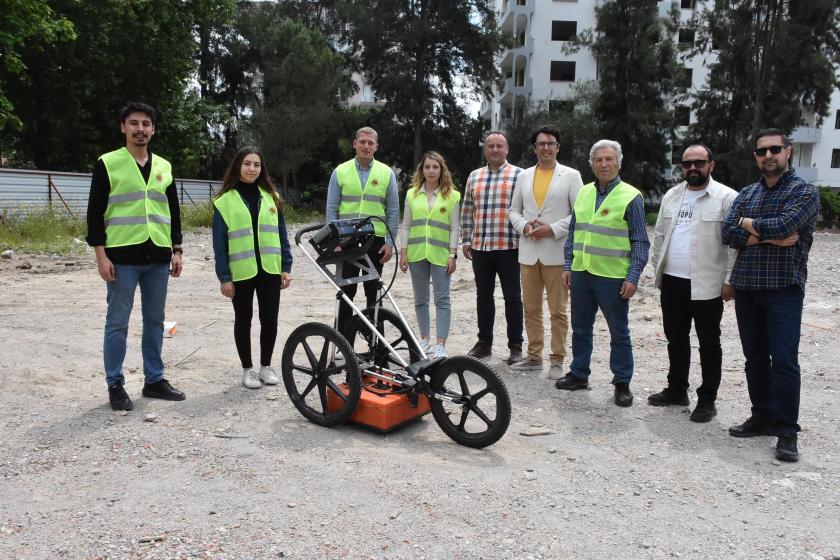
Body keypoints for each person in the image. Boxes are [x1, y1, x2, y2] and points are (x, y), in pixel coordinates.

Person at [722, 128, 820, 463]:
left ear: (788, 152)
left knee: (785, 362)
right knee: (754, 360)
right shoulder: (748, 192)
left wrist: (748, 225)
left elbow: (786, 226)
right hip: (748, 288)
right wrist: (766, 233)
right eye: (762, 151)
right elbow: (727, 232)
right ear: (756, 156)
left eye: (774, 149)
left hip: (783, 289)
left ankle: (787, 431)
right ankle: (762, 415)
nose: (768, 156)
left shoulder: (804, 192)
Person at [86, 101, 186, 411]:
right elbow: (94, 214)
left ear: (153, 129)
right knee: (117, 323)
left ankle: (154, 380)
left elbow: (172, 211)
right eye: (134, 123)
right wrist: (101, 257)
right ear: (123, 127)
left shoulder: (164, 167)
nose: (140, 129)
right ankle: (115, 384)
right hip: (121, 258)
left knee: (155, 321)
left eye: (146, 123)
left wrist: (177, 249)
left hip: (157, 256)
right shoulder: (108, 163)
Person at [555, 139, 649, 407]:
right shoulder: (584, 192)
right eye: (599, 160)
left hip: (613, 277)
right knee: (581, 328)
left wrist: (633, 277)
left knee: (619, 331)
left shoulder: (631, 196)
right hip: (582, 272)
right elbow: (574, 232)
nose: (604, 164)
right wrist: (568, 265)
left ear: (619, 163)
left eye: (609, 159)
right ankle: (579, 373)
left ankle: (622, 383)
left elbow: (641, 240)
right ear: (592, 164)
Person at [649, 144, 737, 422]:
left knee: (709, 343)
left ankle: (707, 399)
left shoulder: (726, 198)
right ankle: (677, 390)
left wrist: (729, 280)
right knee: (675, 339)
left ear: (711, 165)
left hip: (708, 284)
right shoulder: (672, 196)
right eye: (687, 164)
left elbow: (734, 245)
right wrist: (659, 271)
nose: (693, 168)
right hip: (673, 281)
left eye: (699, 162)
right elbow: (660, 237)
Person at [212, 146, 293, 389]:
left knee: (270, 319)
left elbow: (282, 235)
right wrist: (224, 277)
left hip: (269, 269)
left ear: (261, 168)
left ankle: (266, 367)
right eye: (247, 163)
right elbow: (219, 243)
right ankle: (247, 369)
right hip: (241, 271)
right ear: (238, 166)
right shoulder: (223, 201)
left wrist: (285, 266)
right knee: (243, 319)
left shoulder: (272, 198)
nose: (251, 168)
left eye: (256, 164)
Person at [508, 125, 583, 379]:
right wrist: (525, 225)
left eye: (551, 143)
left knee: (558, 311)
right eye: (541, 144)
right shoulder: (524, 176)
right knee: (530, 308)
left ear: (558, 147)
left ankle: (557, 359)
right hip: (529, 252)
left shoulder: (571, 176)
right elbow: (513, 211)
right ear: (534, 148)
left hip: (556, 252)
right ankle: (534, 355)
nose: (546, 148)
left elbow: (579, 214)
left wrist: (552, 229)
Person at [325, 127, 399, 337]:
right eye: (363, 142)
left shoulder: (386, 173)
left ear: (377, 146)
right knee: (346, 292)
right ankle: (342, 343)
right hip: (346, 240)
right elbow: (332, 208)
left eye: (371, 143)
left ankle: (375, 341)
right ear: (355, 143)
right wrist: (334, 240)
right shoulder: (340, 171)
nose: (366, 146)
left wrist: (390, 243)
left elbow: (393, 210)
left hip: (374, 241)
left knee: (374, 292)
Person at [460, 131, 524, 364]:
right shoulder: (474, 176)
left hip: (510, 246)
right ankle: (484, 342)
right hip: (481, 248)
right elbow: (467, 210)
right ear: (485, 150)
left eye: (499, 146)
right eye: (490, 146)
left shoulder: (520, 175)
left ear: (507, 149)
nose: (495, 150)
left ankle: (515, 345)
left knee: (513, 297)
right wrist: (466, 239)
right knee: (483, 296)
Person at [399, 152, 460, 358]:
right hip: (417, 254)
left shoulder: (452, 195)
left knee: (442, 299)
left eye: (435, 167)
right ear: (422, 170)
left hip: (441, 254)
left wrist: (453, 254)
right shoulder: (412, 194)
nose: (431, 171)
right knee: (420, 299)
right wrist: (403, 252)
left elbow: (454, 228)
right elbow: (406, 225)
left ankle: (440, 343)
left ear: (441, 169)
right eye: (427, 167)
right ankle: (424, 340)